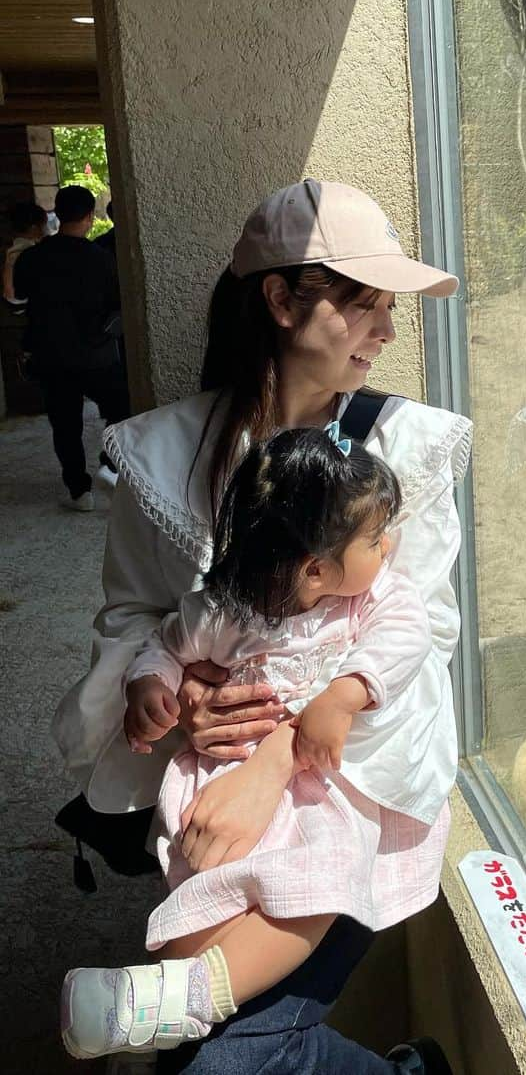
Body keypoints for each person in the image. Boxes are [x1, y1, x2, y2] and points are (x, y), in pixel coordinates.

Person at [52, 178, 468, 1075]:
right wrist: (174, 693)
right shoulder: (162, 456)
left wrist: (277, 758)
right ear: (280, 300)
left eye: (392, 312)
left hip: (342, 801)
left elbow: (421, 635)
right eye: (368, 308)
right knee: (200, 1039)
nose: (388, 335)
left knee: (217, 1063)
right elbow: (135, 618)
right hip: (208, 802)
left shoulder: (407, 451)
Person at [62, 426, 448, 1061]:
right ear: (315, 569)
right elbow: (162, 644)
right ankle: (176, 992)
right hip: (222, 791)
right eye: (376, 539)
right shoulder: (222, 613)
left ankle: (192, 1000)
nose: (390, 547)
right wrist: (152, 689)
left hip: (316, 797)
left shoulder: (370, 600)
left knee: (318, 879)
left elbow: (410, 634)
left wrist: (345, 693)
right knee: (198, 902)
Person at [13, 183, 130, 510]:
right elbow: (117, 305)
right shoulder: (101, 259)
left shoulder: (32, 259)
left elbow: (18, 302)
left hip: (51, 356)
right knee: (123, 410)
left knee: (65, 425)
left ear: (57, 213)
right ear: (90, 216)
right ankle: (110, 464)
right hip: (98, 354)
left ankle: (79, 491)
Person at [2, 199, 48, 309]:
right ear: (34, 228)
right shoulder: (28, 252)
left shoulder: (13, 249)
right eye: (44, 225)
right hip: (20, 302)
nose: (46, 230)